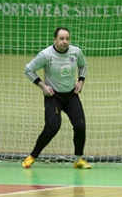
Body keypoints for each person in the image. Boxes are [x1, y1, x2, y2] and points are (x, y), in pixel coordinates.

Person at [23, 27, 92, 169]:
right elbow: (28, 69)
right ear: (54, 39)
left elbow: (83, 65)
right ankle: (32, 156)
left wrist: (81, 81)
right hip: (53, 96)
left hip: (71, 95)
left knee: (80, 125)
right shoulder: (46, 54)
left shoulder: (76, 52)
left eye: (67, 38)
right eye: (61, 39)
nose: (65, 41)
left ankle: (78, 160)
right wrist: (43, 86)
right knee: (53, 127)